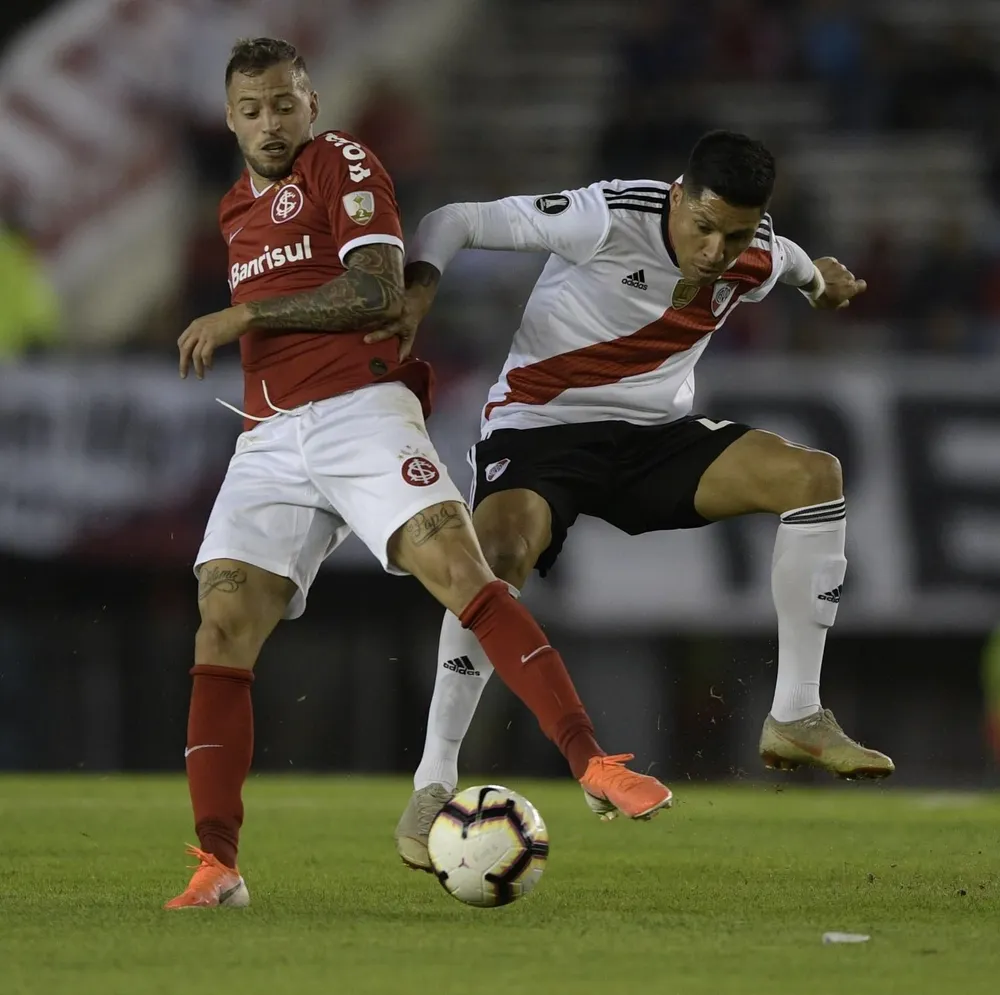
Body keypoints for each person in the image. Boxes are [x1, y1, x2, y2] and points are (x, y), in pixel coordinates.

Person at [163, 37, 672, 910]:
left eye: (285, 103)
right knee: (220, 631)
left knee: (460, 572)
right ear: (229, 118)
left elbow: (376, 291)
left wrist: (246, 309)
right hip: (268, 438)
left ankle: (594, 760)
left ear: (311, 102)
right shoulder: (231, 208)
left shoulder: (341, 161)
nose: (271, 122)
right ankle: (219, 866)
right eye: (252, 109)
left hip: (360, 412)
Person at [384, 130, 895, 871]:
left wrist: (823, 282)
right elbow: (456, 218)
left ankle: (796, 714)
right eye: (704, 226)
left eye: (737, 234)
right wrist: (422, 285)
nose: (717, 250)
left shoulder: (754, 251)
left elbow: (793, 265)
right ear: (679, 196)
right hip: (543, 425)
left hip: (651, 438)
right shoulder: (606, 217)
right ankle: (434, 781)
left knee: (813, 475)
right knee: (493, 558)